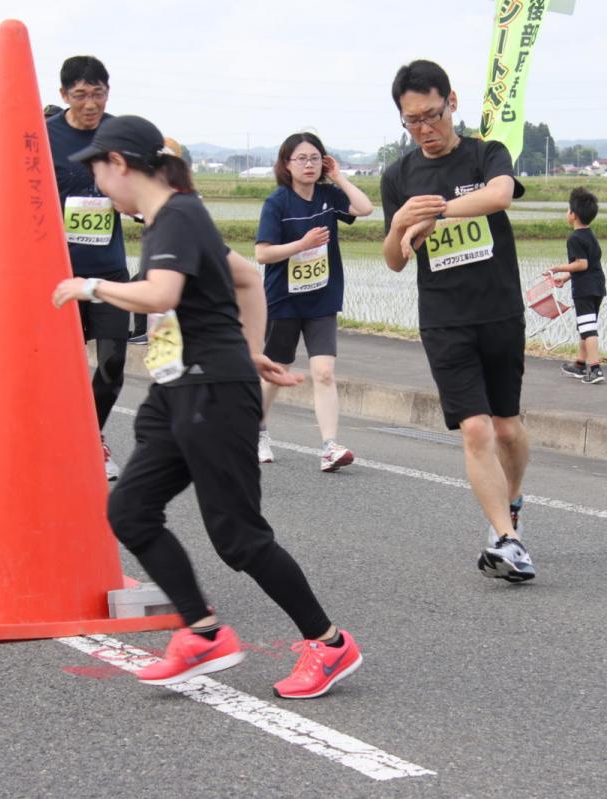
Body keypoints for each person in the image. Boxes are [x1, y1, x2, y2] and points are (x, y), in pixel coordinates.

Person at [52, 115, 362, 698]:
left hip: (213, 393)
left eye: (97, 169)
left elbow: (161, 294)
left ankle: (329, 643)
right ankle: (202, 632)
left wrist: (88, 287)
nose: (96, 183)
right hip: (178, 389)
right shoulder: (169, 221)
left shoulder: (178, 216)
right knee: (130, 510)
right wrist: (251, 350)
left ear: (119, 163)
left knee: (238, 537)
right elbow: (246, 280)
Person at [380, 60, 535, 582]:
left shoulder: (486, 153)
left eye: (432, 115)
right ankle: (506, 539)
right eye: (412, 121)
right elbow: (395, 260)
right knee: (475, 427)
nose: (425, 128)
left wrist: (439, 211)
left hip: (499, 310)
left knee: (507, 427)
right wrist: (401, 226)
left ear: (452, 102)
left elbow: (501, 194)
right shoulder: (398, 176)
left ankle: (512, 503)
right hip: (444, 319)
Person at [254, 132, 374, 470]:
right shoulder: (277, 203)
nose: (309, 165)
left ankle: (329, 447)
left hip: (322, 297)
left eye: (315, 158)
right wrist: (302, 245)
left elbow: (365, 208)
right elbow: (262, 253)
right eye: (301, 158)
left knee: (323, 372)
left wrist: (338, 177)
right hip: (283, 300)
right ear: (286, 164)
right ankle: (257, 430)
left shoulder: (328, 195)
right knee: (277, 371)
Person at [47, 55, 131, 481]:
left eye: (98, 93)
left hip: (108, 270)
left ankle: (91, 437)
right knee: (61, 367)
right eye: (80, 95)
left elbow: (143, 194)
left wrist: (132, 204)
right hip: (57, 273)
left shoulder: (120, 134)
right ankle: (58, 440)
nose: (90, 104)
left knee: (113, 362)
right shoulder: (44, 136)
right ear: (64, 95)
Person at [551, 187, 607, 385]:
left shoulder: (574, 238)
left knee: (588, 329)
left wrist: (558, 268)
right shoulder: (590, 234)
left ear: (573, 215)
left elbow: (581, 264)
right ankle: (580, 364)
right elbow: (587, 264)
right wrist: (566, 278)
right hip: (597, 286)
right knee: (586, 326)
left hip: (584, 289)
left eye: (568, 209)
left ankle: (595, 369)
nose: (567, 213)